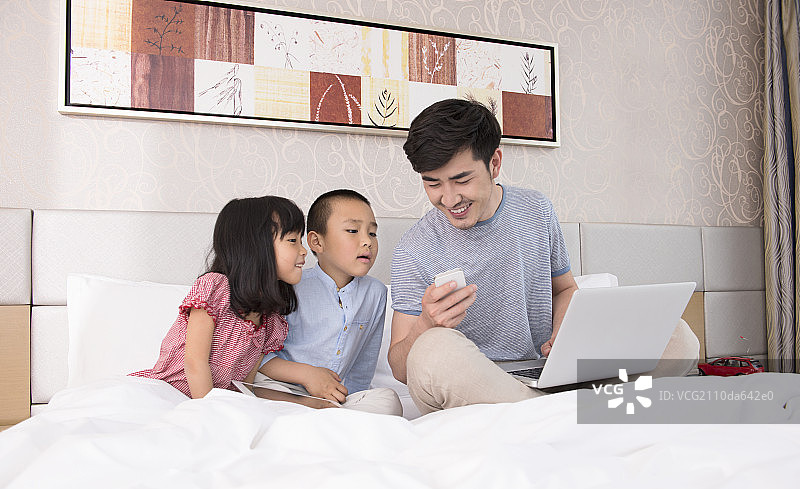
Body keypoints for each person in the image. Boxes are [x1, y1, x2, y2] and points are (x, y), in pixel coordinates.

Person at [388, 99, 699, 414]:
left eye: (462, 180)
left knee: (678, 337)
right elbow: (402, 368)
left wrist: (564, 335)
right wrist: (426, 322)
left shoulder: (536, 210)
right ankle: (565, 412)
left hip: (545, 373)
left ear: (494, 163)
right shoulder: (414, 248)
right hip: (475, 383)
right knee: (432, 351)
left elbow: (564, 289)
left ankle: (545, 411)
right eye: (433, 183)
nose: (450, 198)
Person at [130, 196, 307, 399]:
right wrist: (209, 414)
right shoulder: (215, 289)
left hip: (216, 403)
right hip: (169, 395)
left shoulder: (270, 319)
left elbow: (244, 384)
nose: (303, 250)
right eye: (293, 240)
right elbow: (195, 363)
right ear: (254, 246)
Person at [256, 189, 403, 416]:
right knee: (254, 387)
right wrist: (307, 375)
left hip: (333, 397)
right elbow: (258, 354)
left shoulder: (376, 293)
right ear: (317, 242)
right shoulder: (290, 285)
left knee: (388, 400)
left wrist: (351, 399)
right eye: (352, 231)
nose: (367, 242)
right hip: (282, 387)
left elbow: (363, 363)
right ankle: (309, 412)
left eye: (372, 233)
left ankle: (337, 418)